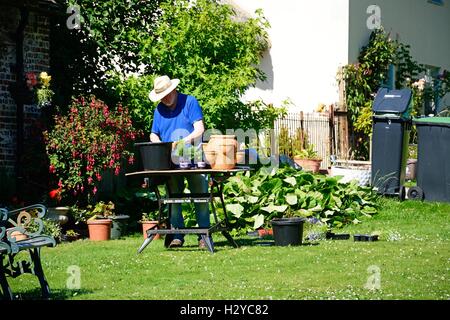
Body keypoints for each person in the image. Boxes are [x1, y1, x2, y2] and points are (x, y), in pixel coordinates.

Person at [149, 75, 210, 249]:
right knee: (173, 199)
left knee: (201, 198)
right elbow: (153, 133)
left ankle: (203, 237)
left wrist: (182, 142)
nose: (165, 98)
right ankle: (177, 236)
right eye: (162, 96)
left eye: (167, 93)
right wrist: (159, 145)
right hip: (170, 162)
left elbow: (200, 129)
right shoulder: (159, 110)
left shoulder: (190, 102)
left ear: (174, 89)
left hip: (194, 159)